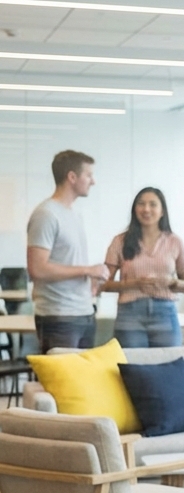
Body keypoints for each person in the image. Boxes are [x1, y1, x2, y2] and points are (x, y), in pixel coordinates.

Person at [25, 150, 109, 352]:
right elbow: (37, 269)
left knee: (81, 382)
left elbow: (67, 261)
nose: (93, 181)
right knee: (61, 383)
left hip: (83, 312)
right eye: (88, 175)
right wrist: (87, 271)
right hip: (59, 316)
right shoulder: (46, 214)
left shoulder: (74, 214)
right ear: (72, 177)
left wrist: (92, 279)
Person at [102, 188, 184, 347]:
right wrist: (134, 284)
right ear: (134, 209)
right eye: (141, 204)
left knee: (167, 365)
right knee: (132, 366)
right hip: (129, 313)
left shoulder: (174, 241)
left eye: (152, 204)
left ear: (162, 211)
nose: (146, 209)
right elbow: (103, 284)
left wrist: (172, 283)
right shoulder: (120, 241)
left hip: (165, 312)